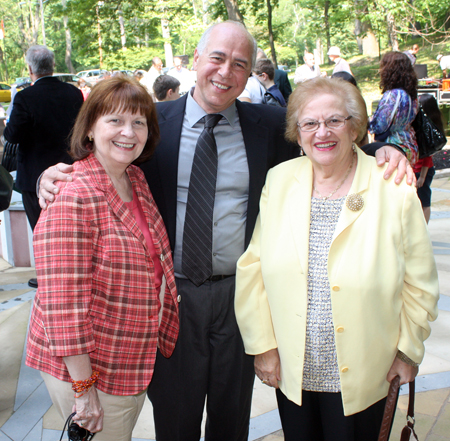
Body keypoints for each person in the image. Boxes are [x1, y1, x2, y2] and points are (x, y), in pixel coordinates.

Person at [38, 21, 411, 441]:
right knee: (176, 421)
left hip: (239, 298)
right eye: (217, 58)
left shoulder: (268, 126)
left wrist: (387, 150)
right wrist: (50, 177)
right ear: (195, 60)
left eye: (239, 64)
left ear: (250, 73)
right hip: (172, 300)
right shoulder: (148, 125)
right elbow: (100, 163)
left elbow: (330, 141)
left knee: (231, 419)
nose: (225, 71)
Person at [235, 77, 439, 441]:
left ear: (355, 126)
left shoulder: (391, 185)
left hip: (368, 370)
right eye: (310, 123)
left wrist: (408, 352)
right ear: (297, 134)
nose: (322, 132)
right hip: (294, 369)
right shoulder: (280, 180)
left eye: (334, 120)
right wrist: (263, 346)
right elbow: (252, 268)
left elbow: (420, 282)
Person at [25, 75, 179, 441]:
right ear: (90, 128)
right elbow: (62, 305)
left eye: (138, 122)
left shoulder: (134, 178)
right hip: (91, 369)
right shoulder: (73, 195)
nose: (128, 131)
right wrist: (84, 389)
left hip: (126, 355)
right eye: (115, 120)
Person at [3, 45, 83, 289]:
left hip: (34, 176)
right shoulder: (73, 93)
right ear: (53, 65)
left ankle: (48, 278)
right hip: (70, 171)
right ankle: (73, 274)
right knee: (72, 228)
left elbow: (12, 135)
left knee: (40, 228)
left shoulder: (26, 97)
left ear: (30, 70)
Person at [369, 51, 419, 165]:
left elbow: (380, 125)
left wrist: (370, 122)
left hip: (394, 147)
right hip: (410, 143)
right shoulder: (411, 94)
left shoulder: (393, 95)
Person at [414, 93, 445, 223]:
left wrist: (422, 176)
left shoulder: (427, 129)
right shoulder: (422, 125)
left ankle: (424, 231)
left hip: (423, 171)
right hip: (417, 170)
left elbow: (427, 157)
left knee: (424, 201)